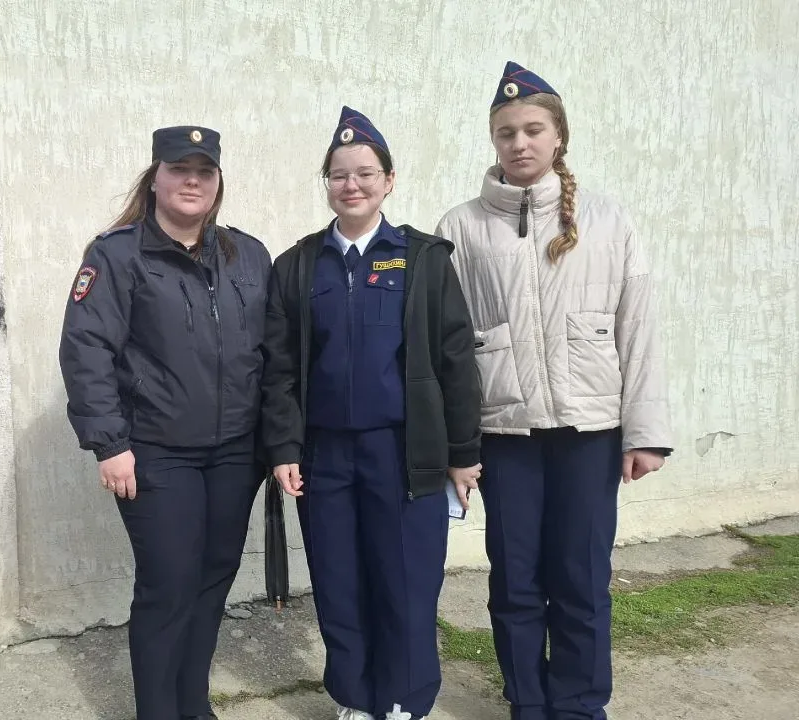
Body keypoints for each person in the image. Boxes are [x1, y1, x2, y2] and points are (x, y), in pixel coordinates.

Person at [435, 62, 673, 720]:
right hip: (504, 435)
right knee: (515, 580)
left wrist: (646, 433)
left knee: (581, 578)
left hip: (588, 433)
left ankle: (579, 705)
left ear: (559, 135)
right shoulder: (460, 227)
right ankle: (528, 703)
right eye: (506, 132)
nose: (520, 143)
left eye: (533, 129)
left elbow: (638, 326)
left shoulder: (608, 220)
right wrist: (455, 446)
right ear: (493, 140)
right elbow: (446, 348)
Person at [260, 106, 483, 720]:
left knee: (406, 583)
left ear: (389, 180)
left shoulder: (424, 259)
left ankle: (406, 701)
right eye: (339, 175)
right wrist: (284, 447)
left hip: (404, 454)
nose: (351, 185)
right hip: (325, 457)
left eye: (364, 173)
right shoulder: (297, 265)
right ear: (327, 184)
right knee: (339, 583)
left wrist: (463, 454)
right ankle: (356, 700)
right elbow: (279, 369)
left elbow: (456, 360)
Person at [58, 125, 272, 720]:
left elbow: (273, 352)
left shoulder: (248, 255)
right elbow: (86, 350)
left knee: (214, 578)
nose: (192, 181)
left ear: (218, 182)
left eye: (204, 171)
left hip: (236, 454)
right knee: (169, 584)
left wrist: (276, 442)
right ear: (156, 177)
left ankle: (192, 703)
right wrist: (109, 444)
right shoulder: (117, 254)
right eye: (180, 169)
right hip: (156, 452)